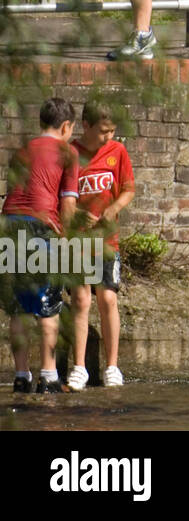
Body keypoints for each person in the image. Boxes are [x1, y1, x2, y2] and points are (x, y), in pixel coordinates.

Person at [2, 97, 79, 393]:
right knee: (48, 306)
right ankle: (48, 375)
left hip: (9, 226)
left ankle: (21, 376)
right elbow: (68, 203)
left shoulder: (22, 151)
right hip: (40, 227)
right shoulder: (68, 152)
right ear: (66, 126)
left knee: (19, 309)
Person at [66, 102, 135, 391]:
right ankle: (79, 367)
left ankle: (112, 366)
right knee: (81, 300)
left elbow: (128, 189)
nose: (108, 137)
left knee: (108, 299)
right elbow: (65, 197)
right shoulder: (71, 153)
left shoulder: (117, 152)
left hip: (107, 240)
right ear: (86, 126)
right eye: (103, 131)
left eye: (112, 131)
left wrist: (114, 207)